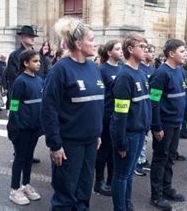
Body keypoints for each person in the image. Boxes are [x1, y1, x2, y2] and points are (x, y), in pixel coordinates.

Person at [42, 17, 104, 210]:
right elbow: (48, 110)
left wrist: (97, 133)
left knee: (84, 193)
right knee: (66, 196)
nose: (95, 43)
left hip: (91, 142)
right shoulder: (60, 70)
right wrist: (55, 145)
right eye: (91, 39)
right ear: (78, 43)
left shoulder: (93, 67)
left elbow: (95, 105)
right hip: (69, 145)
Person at [110, 32, 151, 211]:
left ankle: (127, 204)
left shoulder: (141, 74)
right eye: (141, 46)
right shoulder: (125, 76)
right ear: (130, 49)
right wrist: (121, 142)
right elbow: (120, 114)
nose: (145, 50)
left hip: (140, 132)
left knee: (129, 175)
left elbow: (146, 105)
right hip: (128, 134)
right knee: (121, 175)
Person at [149, 39, 187, 210]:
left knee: (170, 157)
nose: (185, 53)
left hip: (176, 122)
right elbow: (154, 102)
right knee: (160, 158)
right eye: (182, 51)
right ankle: (156, 195)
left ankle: (167, 188)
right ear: (171, 54)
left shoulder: (180, 71)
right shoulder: (160, 74)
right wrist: (156, 126)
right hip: (165, 124)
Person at [7, 50, 43, 206]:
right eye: (35, 61)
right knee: (20, 158)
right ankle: (15, 188)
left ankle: (26, 184)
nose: (39, 63)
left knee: (29, 158)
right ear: (26, 63)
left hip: (34, 127)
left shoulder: (40, 80)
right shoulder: (20, 81)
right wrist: (16, 124)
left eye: (39, 61)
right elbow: (14, 105)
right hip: (23, 128)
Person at [94, 40, 123, 197]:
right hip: (106, 115)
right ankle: (98, 182)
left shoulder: (121, 69)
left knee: (114, 151)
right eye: (117, 49)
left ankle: (111, 180)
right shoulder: (102, 70)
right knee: (103, 151)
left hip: (118, 116)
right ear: (109, 52)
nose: (121, 51)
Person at [135, 43, 156, 176]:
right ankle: (138, 162)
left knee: (145, 136)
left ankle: (142, 159)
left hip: (149, 105)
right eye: (149, 51)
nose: (151, 54)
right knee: (141, 137)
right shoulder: (140, 68)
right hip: (140, 107)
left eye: (153, 51)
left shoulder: (152, 69)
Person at [5, 25, 38, 107]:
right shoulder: (14, 55)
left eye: (33, 36)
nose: (32, 38)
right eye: (29, 36)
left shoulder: (37, 56)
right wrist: (12, 107)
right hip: (18, 96)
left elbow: (42, 74)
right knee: (13, 115)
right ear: (22, 38)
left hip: (34, 96)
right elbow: (13, 79)